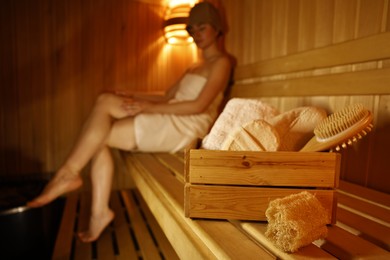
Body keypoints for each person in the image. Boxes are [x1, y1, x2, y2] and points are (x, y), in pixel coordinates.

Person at [27, 1, 232, 243]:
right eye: (192, 29)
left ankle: (69, 175)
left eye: (202, 27)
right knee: (103, 118)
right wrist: (129, 94)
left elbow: (198, 106)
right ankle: (97, 210)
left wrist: (149, 107)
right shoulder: (194, 67)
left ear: (217, 28)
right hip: (171, 115)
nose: (196, 34)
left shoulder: (222, 63)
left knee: (101, 120)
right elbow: (167, 96)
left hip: (186, 125)